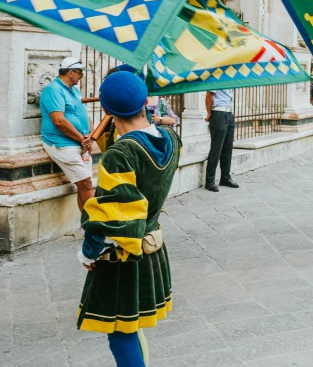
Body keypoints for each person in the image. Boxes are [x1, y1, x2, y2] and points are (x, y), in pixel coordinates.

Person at [76, 71, 181, 366]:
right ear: (145, 102)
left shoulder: (120, 153)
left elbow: (113, 214)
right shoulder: (172, 138)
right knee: (131, 326)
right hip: (154, 244)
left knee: (120, 331)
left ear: (106, 109)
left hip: (123, 253)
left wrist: (88, 251)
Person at [39, 57, 94, 210]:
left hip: (80, 143)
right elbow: (59, 121)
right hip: (62, 143)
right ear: (71, 72)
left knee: (85, 185)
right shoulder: (53, 90)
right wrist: (82, 139)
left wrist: (91, 134)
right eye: (80, 73)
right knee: (86, 184)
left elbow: (84, 113)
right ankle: (95, 228)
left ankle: (87, 225)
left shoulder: (74, 91)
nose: (82, 76)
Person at [204, 89, 238, 192]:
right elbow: (209, 96)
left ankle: (225, 177)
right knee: (216, 148)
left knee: (227, 148)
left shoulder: (229, 78)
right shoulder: (216, 76)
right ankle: (209, 181)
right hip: (218, 113)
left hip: (229, 113)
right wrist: (209, 113)